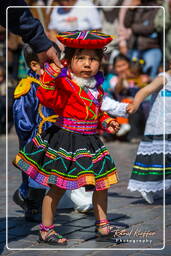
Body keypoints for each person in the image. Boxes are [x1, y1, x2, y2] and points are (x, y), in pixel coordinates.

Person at [13, 30, 120, 245]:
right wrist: (50, 76)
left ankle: (102, 225)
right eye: (81, 58)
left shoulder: (96, 89)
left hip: (90, 141)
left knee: (102, 183)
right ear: (68, 61)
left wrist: (106, 120)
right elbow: (47, 96)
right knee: (57, 186)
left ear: (100, 63)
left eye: (93, 59)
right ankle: (46, 229)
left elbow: (96, 111)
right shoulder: (65, 84)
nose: (87, 64)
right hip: (66, 140)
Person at [127, 61, 171, 204]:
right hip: (160, 125)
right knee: (157, 159)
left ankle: (158, 186)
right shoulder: (164, 78)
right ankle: (147, 186)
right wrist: (135, 105)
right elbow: (145, 91)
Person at [0, 0, 62, 68]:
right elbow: (15, 12)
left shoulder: (46, 4)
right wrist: (40, 41)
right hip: (27, 45)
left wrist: (41, 41)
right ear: (34, 66)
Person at [123, 0, 162, 79]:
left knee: (150, 76)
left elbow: (150, 28)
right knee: (132, 75)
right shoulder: (136, 6)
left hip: (151, 47)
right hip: (134, 47)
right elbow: (126, 24)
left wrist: (133, 27)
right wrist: (130, 9)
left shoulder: (157, 7)